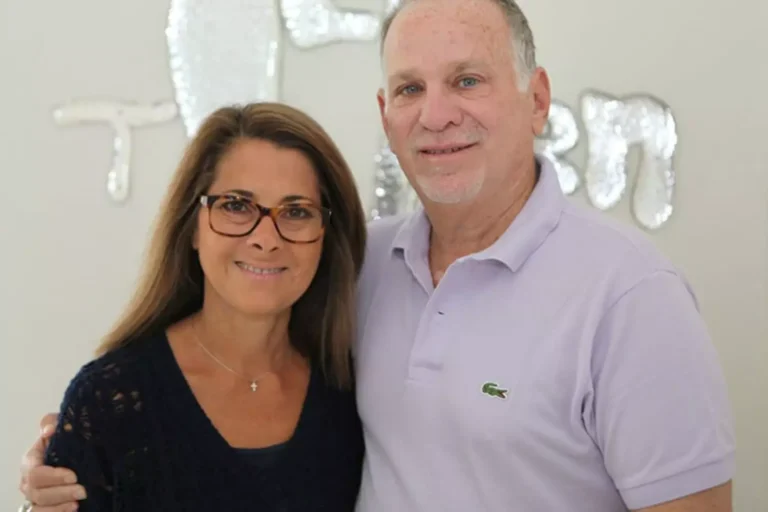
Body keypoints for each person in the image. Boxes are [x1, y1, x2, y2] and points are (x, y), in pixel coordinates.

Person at [19, 0, 736, 511]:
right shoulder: (359, 268)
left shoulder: (632, 298)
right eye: (409, 88)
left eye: (467, 79)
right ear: (385, 113)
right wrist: (60, 475)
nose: (437, 113)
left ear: (537, 99)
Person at [16, 101, 367, 511]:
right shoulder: (110, 401)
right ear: (193, 227)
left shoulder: (350, 395)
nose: (267, 239)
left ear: (326, 236)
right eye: (236, 205)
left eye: (296, 212)